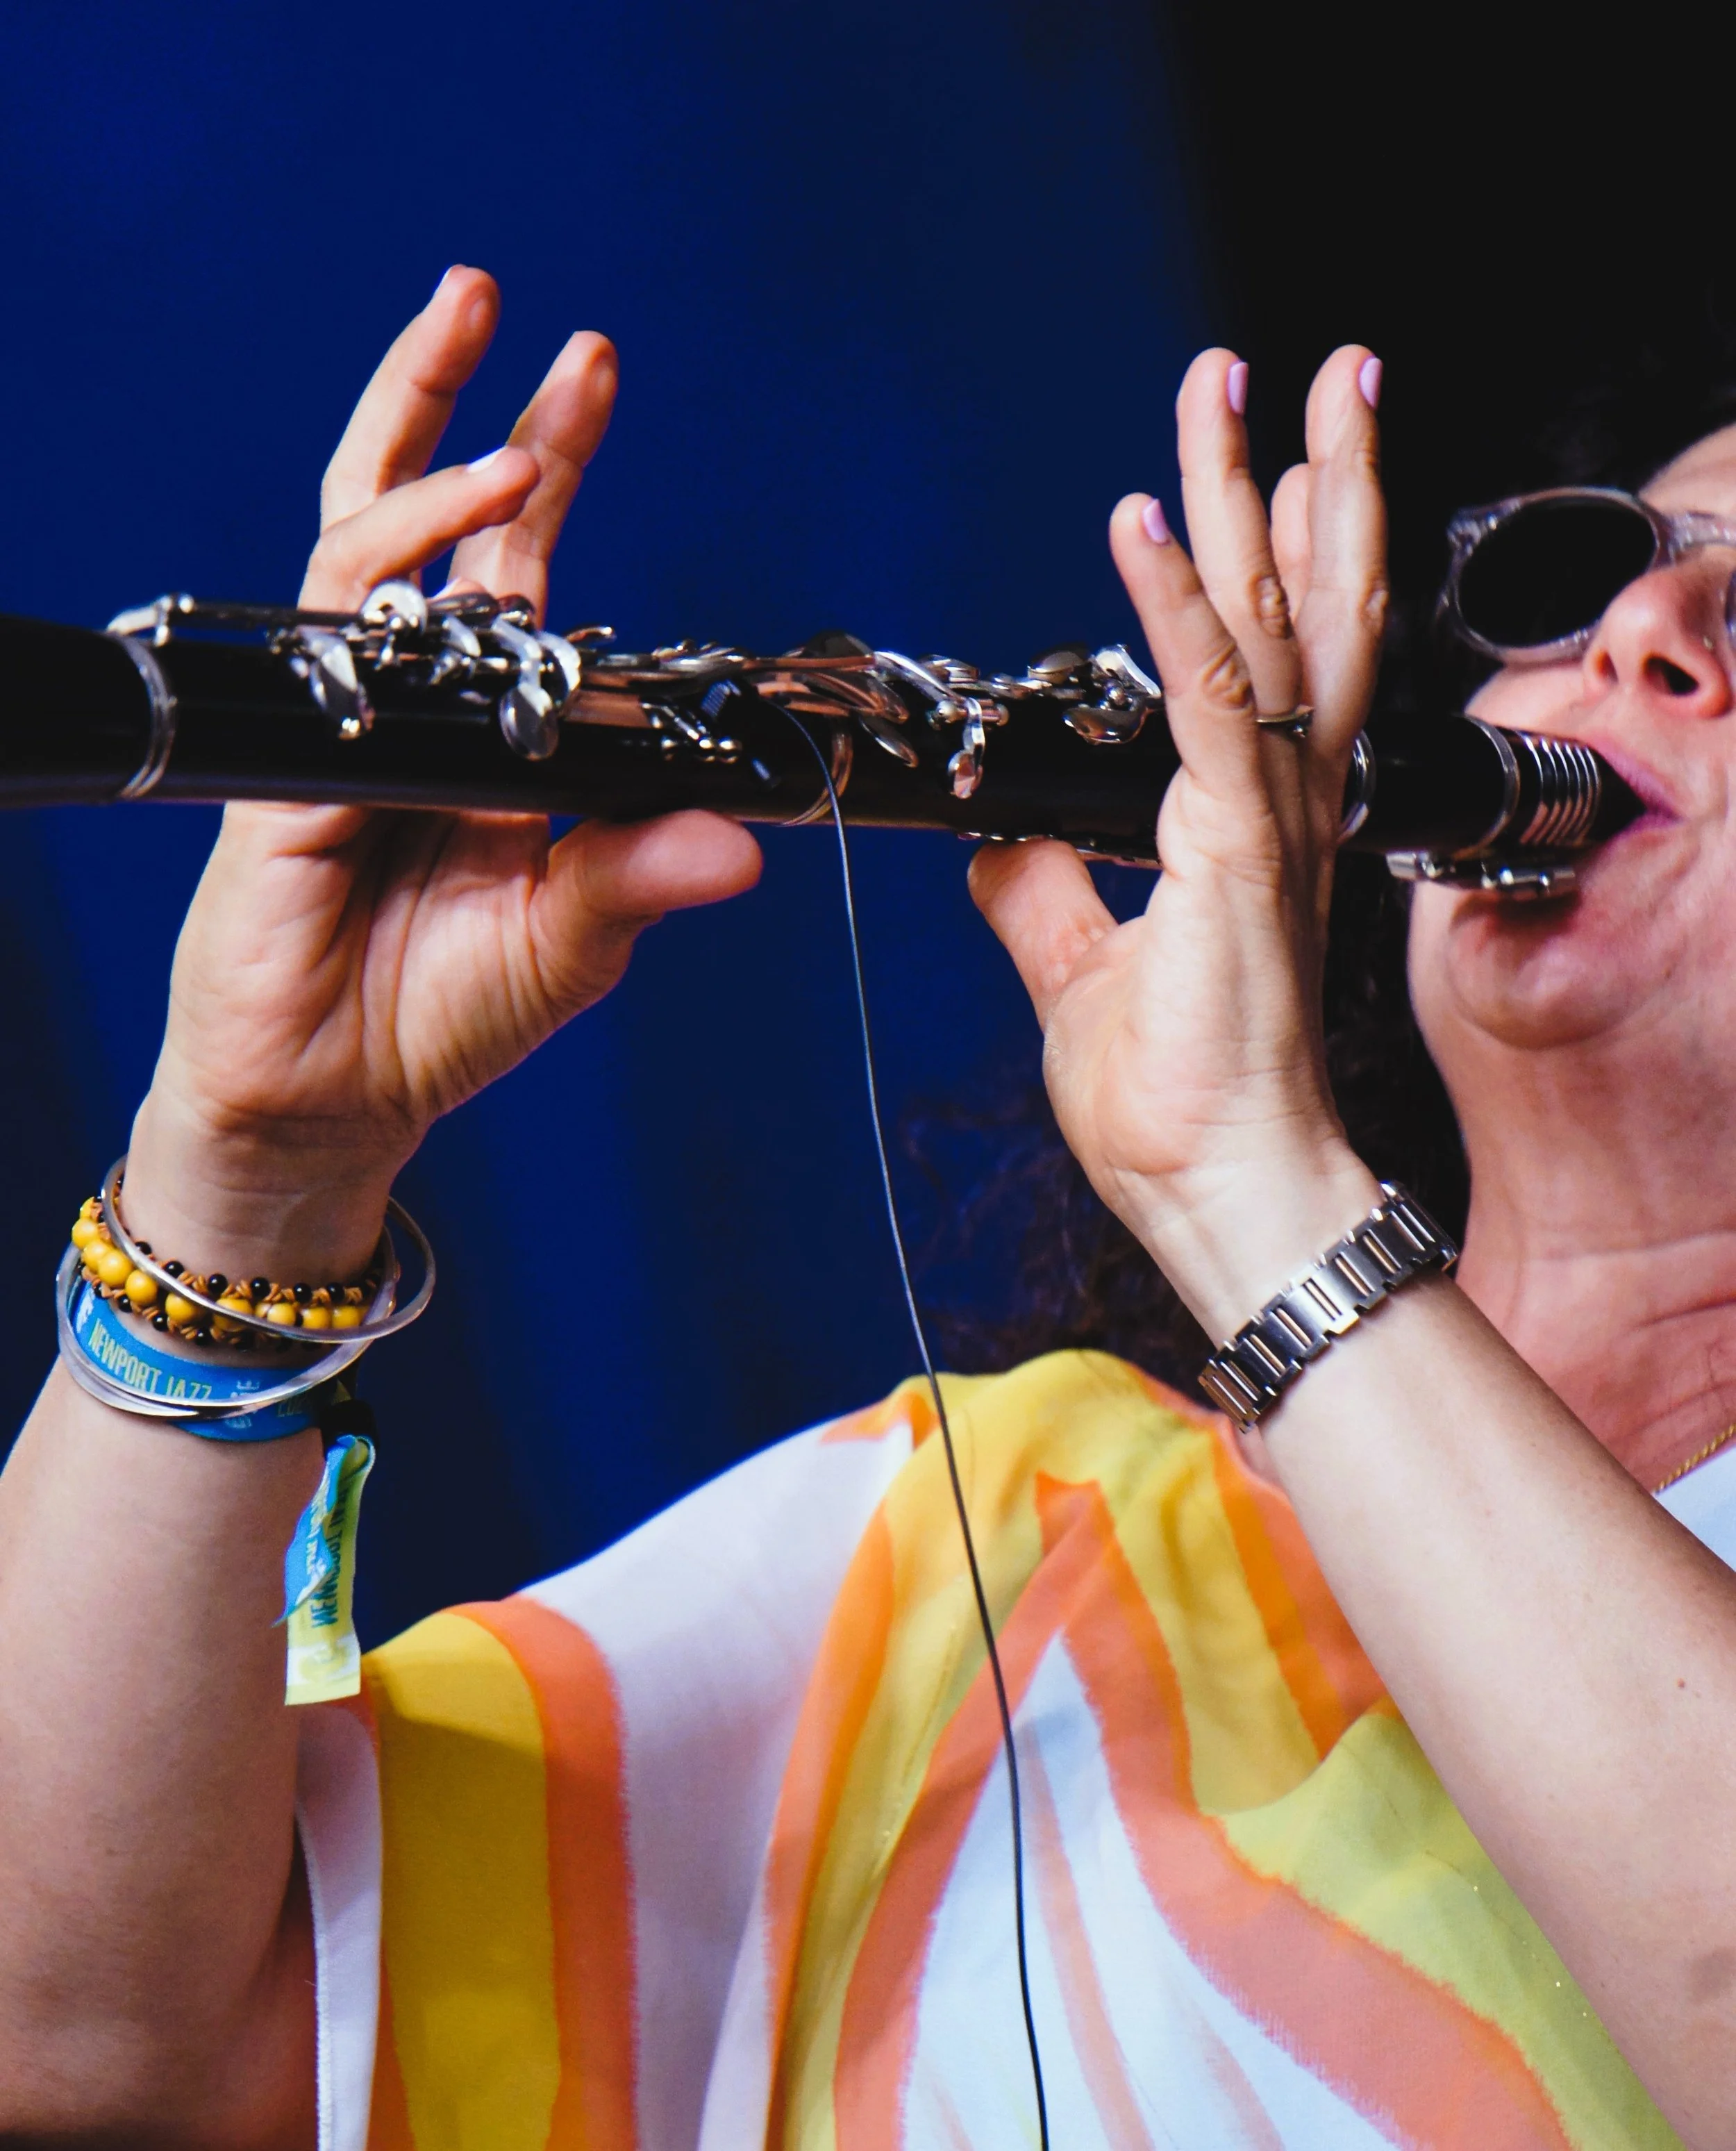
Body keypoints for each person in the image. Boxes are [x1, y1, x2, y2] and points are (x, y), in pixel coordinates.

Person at [3, 265, 1735, 2151]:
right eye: (1610, 568)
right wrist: (248, 1184)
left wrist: (1257, 1195)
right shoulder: (1006, 1519)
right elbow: (74, 2052)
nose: (1638, 625)